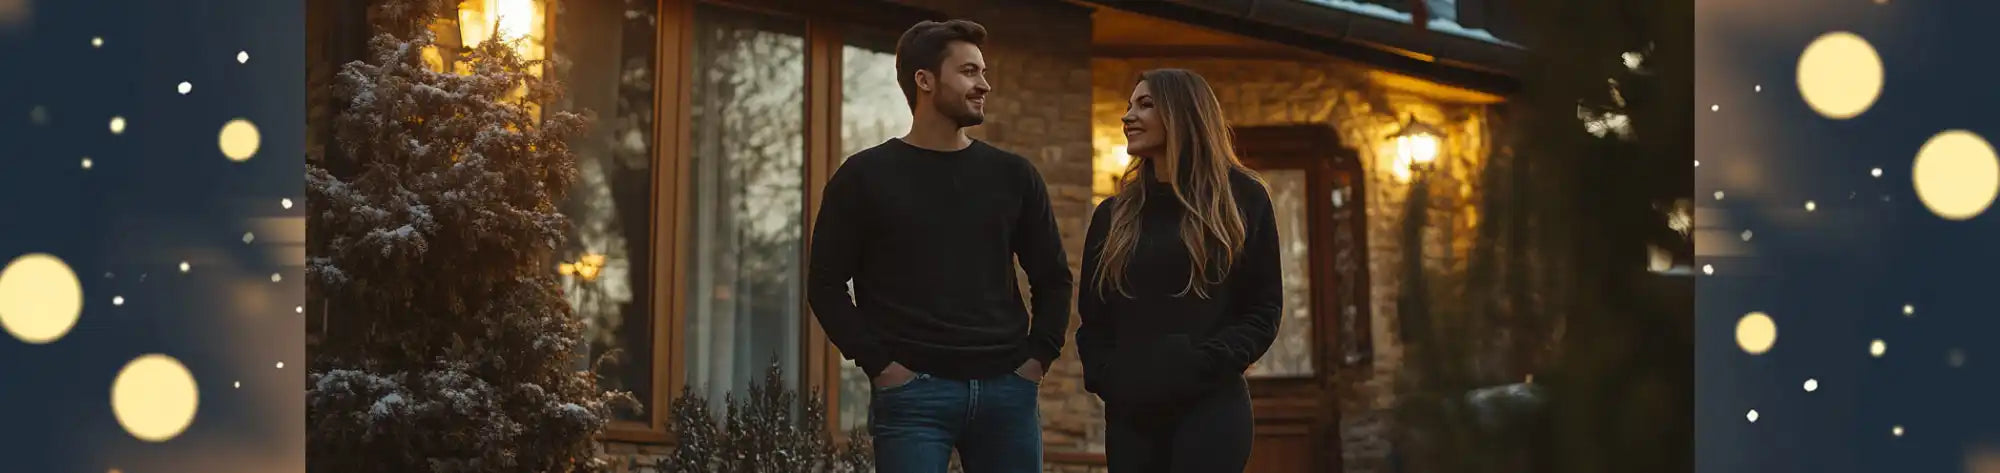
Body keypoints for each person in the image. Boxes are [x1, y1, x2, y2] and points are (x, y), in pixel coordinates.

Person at [806, 19, 1071, 473]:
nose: (983, 84)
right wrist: (882, 366)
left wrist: (1036, 361)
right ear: (924, 80)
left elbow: (1053, 277)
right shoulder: (864, 177)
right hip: (912, 396)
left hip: (1007, 392)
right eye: (969, 72)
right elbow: (825, 285)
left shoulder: (1013, 176)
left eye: (983, 72)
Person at [1077, 68, 1283, 473]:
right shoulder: (1113, 215)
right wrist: (1111, 379)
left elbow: (1263, 311)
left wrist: (1201, 364)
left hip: (1211, 410)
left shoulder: (1243, 200)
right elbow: (1094, 320)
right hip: (1132, 417)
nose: (1127, 116)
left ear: (1183, 113)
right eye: (1129, 105)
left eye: (1145, 104)